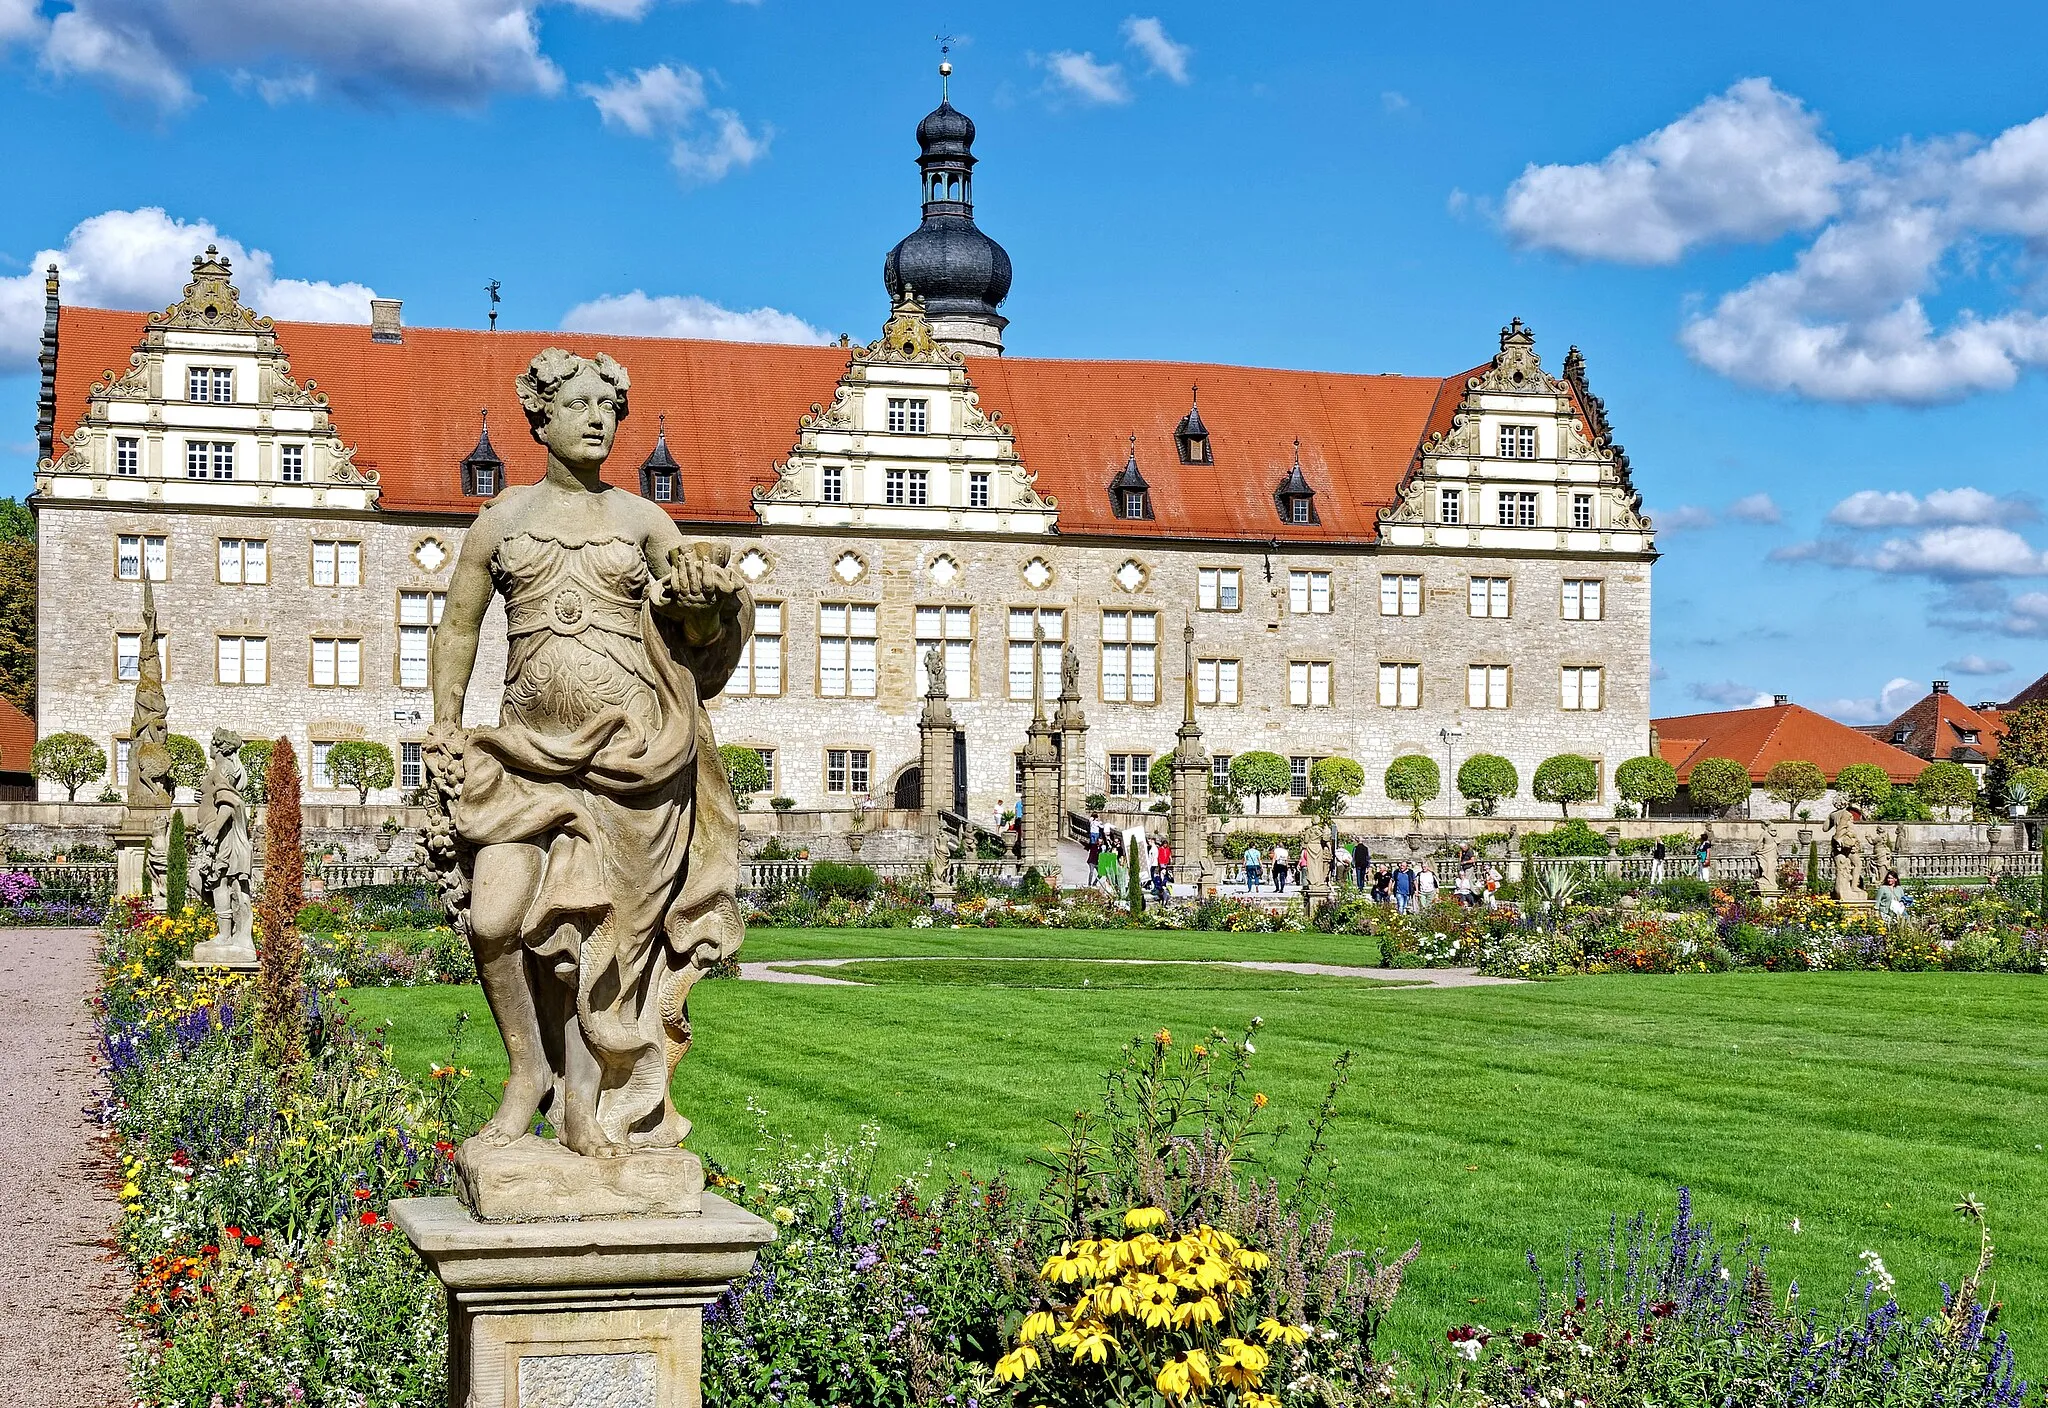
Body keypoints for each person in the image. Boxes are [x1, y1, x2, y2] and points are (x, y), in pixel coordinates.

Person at [425, 346, 749, 1156]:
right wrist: (445, 724)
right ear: (541, 417)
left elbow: (692, 630)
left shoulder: (644, 522)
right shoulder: (502, 520)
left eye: (611, 407)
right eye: (582, 404)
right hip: (524, 750)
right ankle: (525, 1070)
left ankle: (579, 1098)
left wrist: (707, 607)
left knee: (595, 943)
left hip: (631, 763)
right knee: (496, 915)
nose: (600, 419)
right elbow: (459, 624)